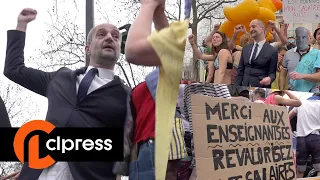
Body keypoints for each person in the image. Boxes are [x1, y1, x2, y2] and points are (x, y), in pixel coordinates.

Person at [4, 8, 133, 180]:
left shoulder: (127, 96)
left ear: (119, 49)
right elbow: (14, 70)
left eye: (116, 36)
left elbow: (127, 151)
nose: (110, 37)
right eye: (101, 34)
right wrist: (21, 25)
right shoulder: (60, 78)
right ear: (87, 48)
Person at [235, 19, 278, 88]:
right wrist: (236, 89)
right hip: (244, 89)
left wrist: (269, 78)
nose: (251, 29)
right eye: (250, 27)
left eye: (254, 26)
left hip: (260, 89)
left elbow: (272, 73)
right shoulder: (246, 48)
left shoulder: (272, 50)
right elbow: (240, 71)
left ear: (262, 29)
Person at [289, 93, 320, 178]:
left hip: (301, 139)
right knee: (319, 169)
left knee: (300, 170)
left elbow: (288, 117)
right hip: (316, 138)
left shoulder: (301, 103)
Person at [280, 27, 320, 92]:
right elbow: (282, 75)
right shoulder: (288, 53)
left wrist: (302, 76)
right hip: (292, 92)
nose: (301, 40)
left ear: (309, 38)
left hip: (311, 93)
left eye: (304, 37)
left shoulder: (317, 54)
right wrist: (281, 90)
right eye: (298, 37)